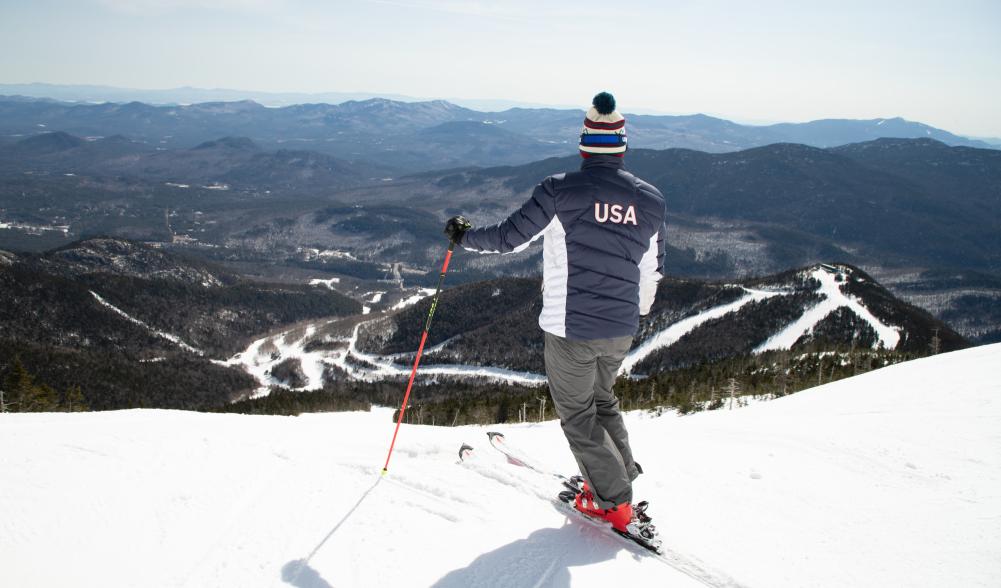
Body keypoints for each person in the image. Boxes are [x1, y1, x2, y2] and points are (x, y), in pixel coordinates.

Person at [443, 92, 666, 533]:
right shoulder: (651, 200)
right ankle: (617, 482)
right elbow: (651, 271)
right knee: (602, 402)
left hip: (571, 327)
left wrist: (464, 236)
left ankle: (614, 502)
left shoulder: (560, 190)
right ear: (622, 145)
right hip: (620, 328)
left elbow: (510, 238)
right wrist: (633, 313)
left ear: (585, 144)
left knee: (578, 414)